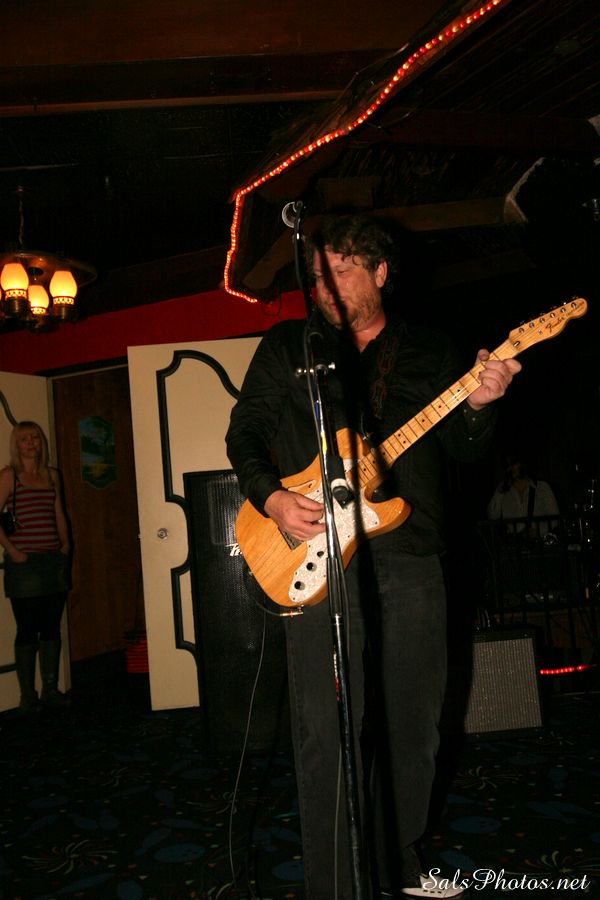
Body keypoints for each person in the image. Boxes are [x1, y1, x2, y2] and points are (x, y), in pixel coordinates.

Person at [226, 214, 521, 899]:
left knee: (414, 725)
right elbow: (245, 432)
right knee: (325, 731)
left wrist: (480, 406)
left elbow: (466, 449)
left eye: (344, 270)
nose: (327, 285)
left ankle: (395, 863)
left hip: (410, 556)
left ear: (381, 272)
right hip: (317, 559)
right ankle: (335, 884)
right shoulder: (288, 346)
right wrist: (271, 498)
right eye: (319, 273)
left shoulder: (430, 350)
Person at [0, 421, 71, 712]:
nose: (31, 443)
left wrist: (66, 545)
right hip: (24, 564)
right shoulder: (9, 476)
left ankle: (51, 690)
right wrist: (13, 551)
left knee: (51, 626)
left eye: (35, 437)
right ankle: (28, 696)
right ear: (16, 445)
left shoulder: (52, 475)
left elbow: (58, 511)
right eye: (24, 439)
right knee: (27, 627)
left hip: (53, 560)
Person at [487, 453, 560, 538]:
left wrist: (539, 531)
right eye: (507, 465)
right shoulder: (503, 490)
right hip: (514, 543)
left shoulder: (541, 488)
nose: (510, 468)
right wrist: (500, 493)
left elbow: (555, 518)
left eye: (513, 463)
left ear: (522, 463)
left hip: (539, 542)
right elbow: (492, 516)